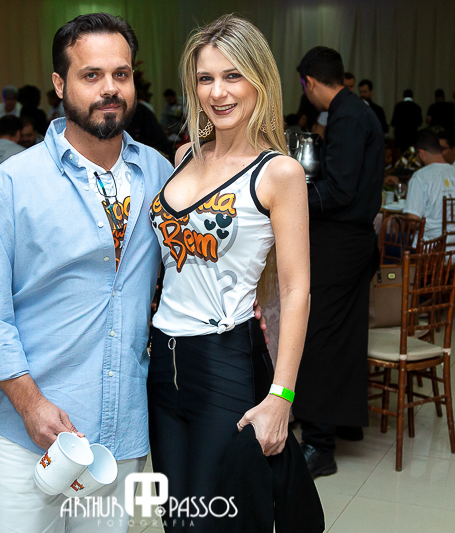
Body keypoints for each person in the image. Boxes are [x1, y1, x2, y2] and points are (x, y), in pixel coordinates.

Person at [0, 13, 176, 532]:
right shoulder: (15, 183)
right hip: (28, 431)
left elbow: (191, 267)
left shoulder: (160, 175)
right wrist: (29, 403)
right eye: (91, 75)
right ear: (60, 84)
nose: (109, 89)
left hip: (121, 432)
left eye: (121, 74)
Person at [148, 14, 311, 532]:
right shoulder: (183, 156)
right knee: (176, 517)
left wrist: (281, 397)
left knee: (216, 520)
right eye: (206, 78)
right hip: (163, 363)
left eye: (233, 75)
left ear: (259, 80)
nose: (218, 92)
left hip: (222, 362)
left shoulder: (278, 172)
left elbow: (297, 289)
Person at [295, 46, 385, 478]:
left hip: (341, 242)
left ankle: (318, 443)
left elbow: (340, 189)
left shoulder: (345, 116)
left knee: (318, 337)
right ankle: (346, 422)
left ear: (310, 82)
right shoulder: (359, 110)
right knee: (346, 336)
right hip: (356, 241)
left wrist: (292, 198)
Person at [404, 129, 455, 259]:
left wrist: (400, 219)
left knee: (382, 241)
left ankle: (395, 273)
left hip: (432, 250)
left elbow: (413, 222)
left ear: (421, 153)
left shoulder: (420, 177)